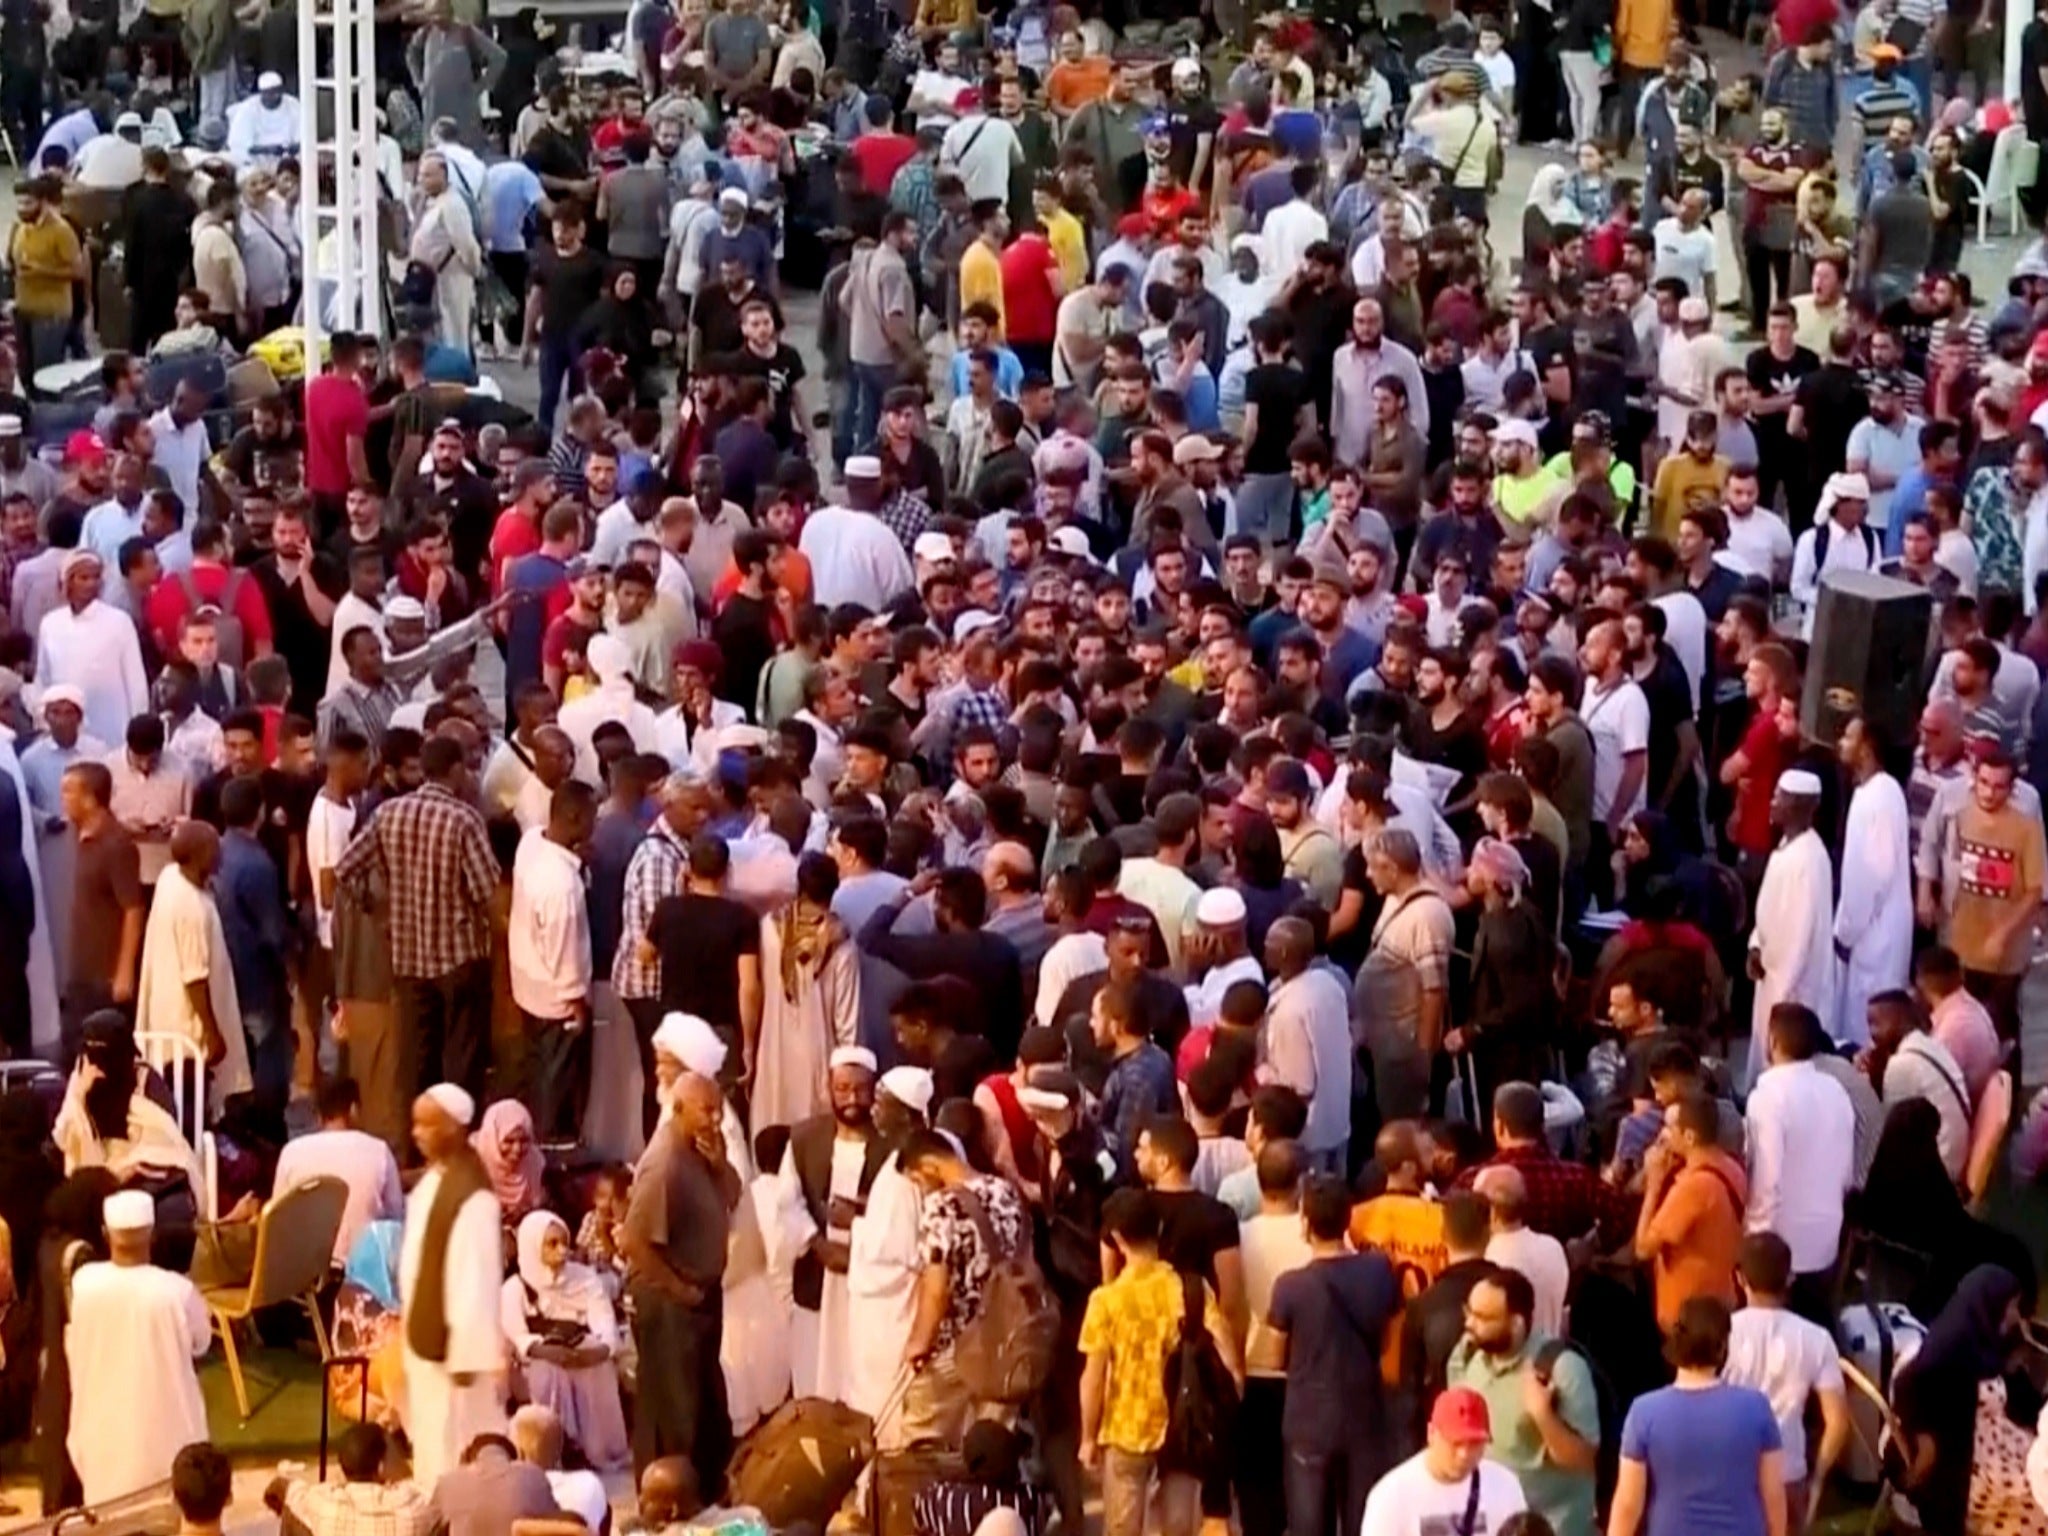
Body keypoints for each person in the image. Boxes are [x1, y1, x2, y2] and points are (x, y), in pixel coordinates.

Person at [1079, 1187, 1238, 1536]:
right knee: (1179, 1526)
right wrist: (1229, 1394)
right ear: (1160, 1229)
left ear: (1118, 1239)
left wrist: (1088, 1438)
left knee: (1123, 1527)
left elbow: (1093, 1376)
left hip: (1125, 1427)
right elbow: (1225, 1346)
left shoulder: (1106, 1301)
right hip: (1183, 1426)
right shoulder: (1190, 1288)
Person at [622, 1053, 738, 1490]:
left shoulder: (701, 1150)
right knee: (675, 1408)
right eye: (706, 1111)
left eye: (718, 1109)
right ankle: (668, 1497)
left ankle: (704, 1490)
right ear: (678, 1109)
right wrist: (679, 1288)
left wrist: (719, 1164)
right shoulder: (664, 1161)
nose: (715, 1119)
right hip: (670, 1301)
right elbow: (634, 1241)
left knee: (705, 1401)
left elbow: (732, 1197)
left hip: (700, 1295)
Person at [64, 1189, 210, 1506]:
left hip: (103, 1445)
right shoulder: (177, 1292)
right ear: (153, 1235)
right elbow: (202, 1343)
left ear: (105, 1234)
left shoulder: (84, 1285)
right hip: (168, 1447)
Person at [399, 1084, 508, 1488]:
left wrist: (466, 1360)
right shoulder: (435, 1180)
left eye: (429, 1125)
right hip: (426, 1349)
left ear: (456, 1128)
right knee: (429, 1447)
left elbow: (475, 1285)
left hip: (455, 1360)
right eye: (416, 1124)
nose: (417, 1133)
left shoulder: (473, 1196)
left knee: (452, 1453)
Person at [1609, 1297, 1785, 1536]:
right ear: (1723, 1346)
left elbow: (1628, 1504)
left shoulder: (1644, 1412)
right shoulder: (1756, 1407)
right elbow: (1773, 1495)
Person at [1447, 1264, 1600, 1536]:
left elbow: (1584, 1460)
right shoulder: (1470, 1356)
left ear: (1516, 1323)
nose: (1469, 1323)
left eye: (1482, 1317)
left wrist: (1542, 1415)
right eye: (1469, 1312)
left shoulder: (1561, 1368)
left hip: (1552, 1528)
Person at [1890, 1266, 2032, 1536]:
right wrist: (1925, 1440)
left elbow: (1982, 1364)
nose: (2014, 1315)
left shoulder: (1971, 1332)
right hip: (1942, 1456)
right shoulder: (1949, 1342)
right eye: (2011, 1306)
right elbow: (1908, 1383)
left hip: (1958, 1440)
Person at [1721, 1234, 1851, 1531]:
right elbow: (1838, 1422)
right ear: (1790, 1278)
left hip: (1729, 1472)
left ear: (1740, 1278)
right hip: (1787, 1473)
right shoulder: (1816, 1338)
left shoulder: (1722, 1333)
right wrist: (1817, 1480)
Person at [501, 1209, 629, 1469]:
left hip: (579, 1354)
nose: (562, 1251)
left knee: (596, 1360)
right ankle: (555, 1452)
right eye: (552, 1244)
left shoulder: (585, 1279)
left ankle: (598, 1451)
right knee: (549, 1372)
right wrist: (549, 1352)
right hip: (539, 1361)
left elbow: (605, 1326)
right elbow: (517, 1336)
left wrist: (595, 1352)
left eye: (564, 1243)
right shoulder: (515, 1287)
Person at [1746, 770, 1835, 1080]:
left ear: (1797, 805)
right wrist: (1756, 946)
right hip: (1771, 973)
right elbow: (1769, 909)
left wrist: (1784, 991)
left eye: (1778, 797)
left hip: (1793, 985)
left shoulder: (1810, 858)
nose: (1772, 803)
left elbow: (1800, 934)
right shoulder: (1787, 845)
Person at [1358, 1387, 1528, 1536]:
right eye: (1455, 1443)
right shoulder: (1391, 1495)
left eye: (1474, 1443)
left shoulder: (1505, 1486)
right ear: (1431, 1433)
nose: (1464, 1454)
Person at [273, 1077, 404, 1267]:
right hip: (363, 1272)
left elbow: (278, 1217)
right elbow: (395, 1216)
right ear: (353, 1110)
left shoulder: (291, 1151)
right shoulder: (379, 1150)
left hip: (302, 1276)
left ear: (318, 1116)